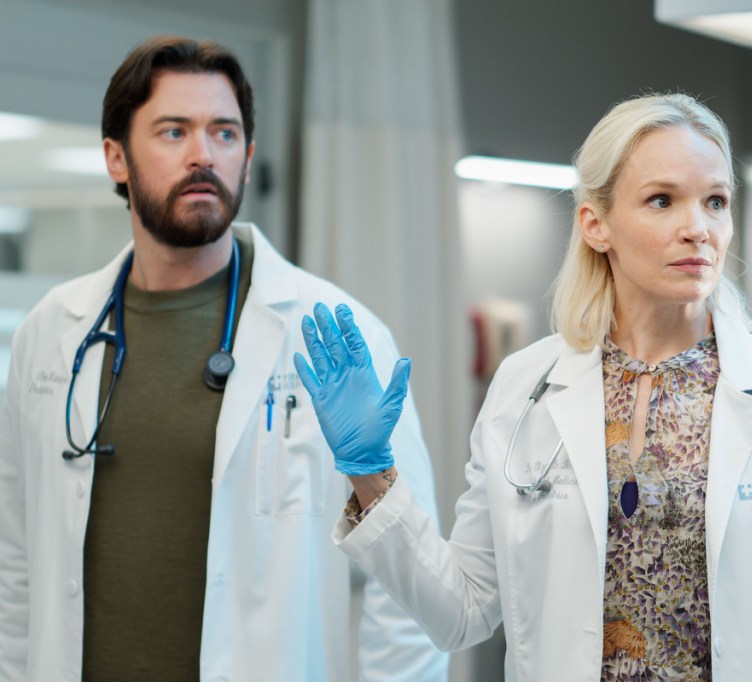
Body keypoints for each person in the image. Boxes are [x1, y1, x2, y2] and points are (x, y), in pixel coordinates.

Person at [295, 92, 752, 681]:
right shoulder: (526, 385)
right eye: (662, 200)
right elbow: (462, 613)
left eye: (715, 201)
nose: (698, 229)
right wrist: (371, 475)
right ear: (595, 224)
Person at [0, 36, 446, 682]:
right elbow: (15, 563)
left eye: (225, 133)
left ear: (248, 159)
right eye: (174, 131)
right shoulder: (51, 331)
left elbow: (411, 590)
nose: (203, 154)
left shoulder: (335, 335)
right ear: (116, 157)